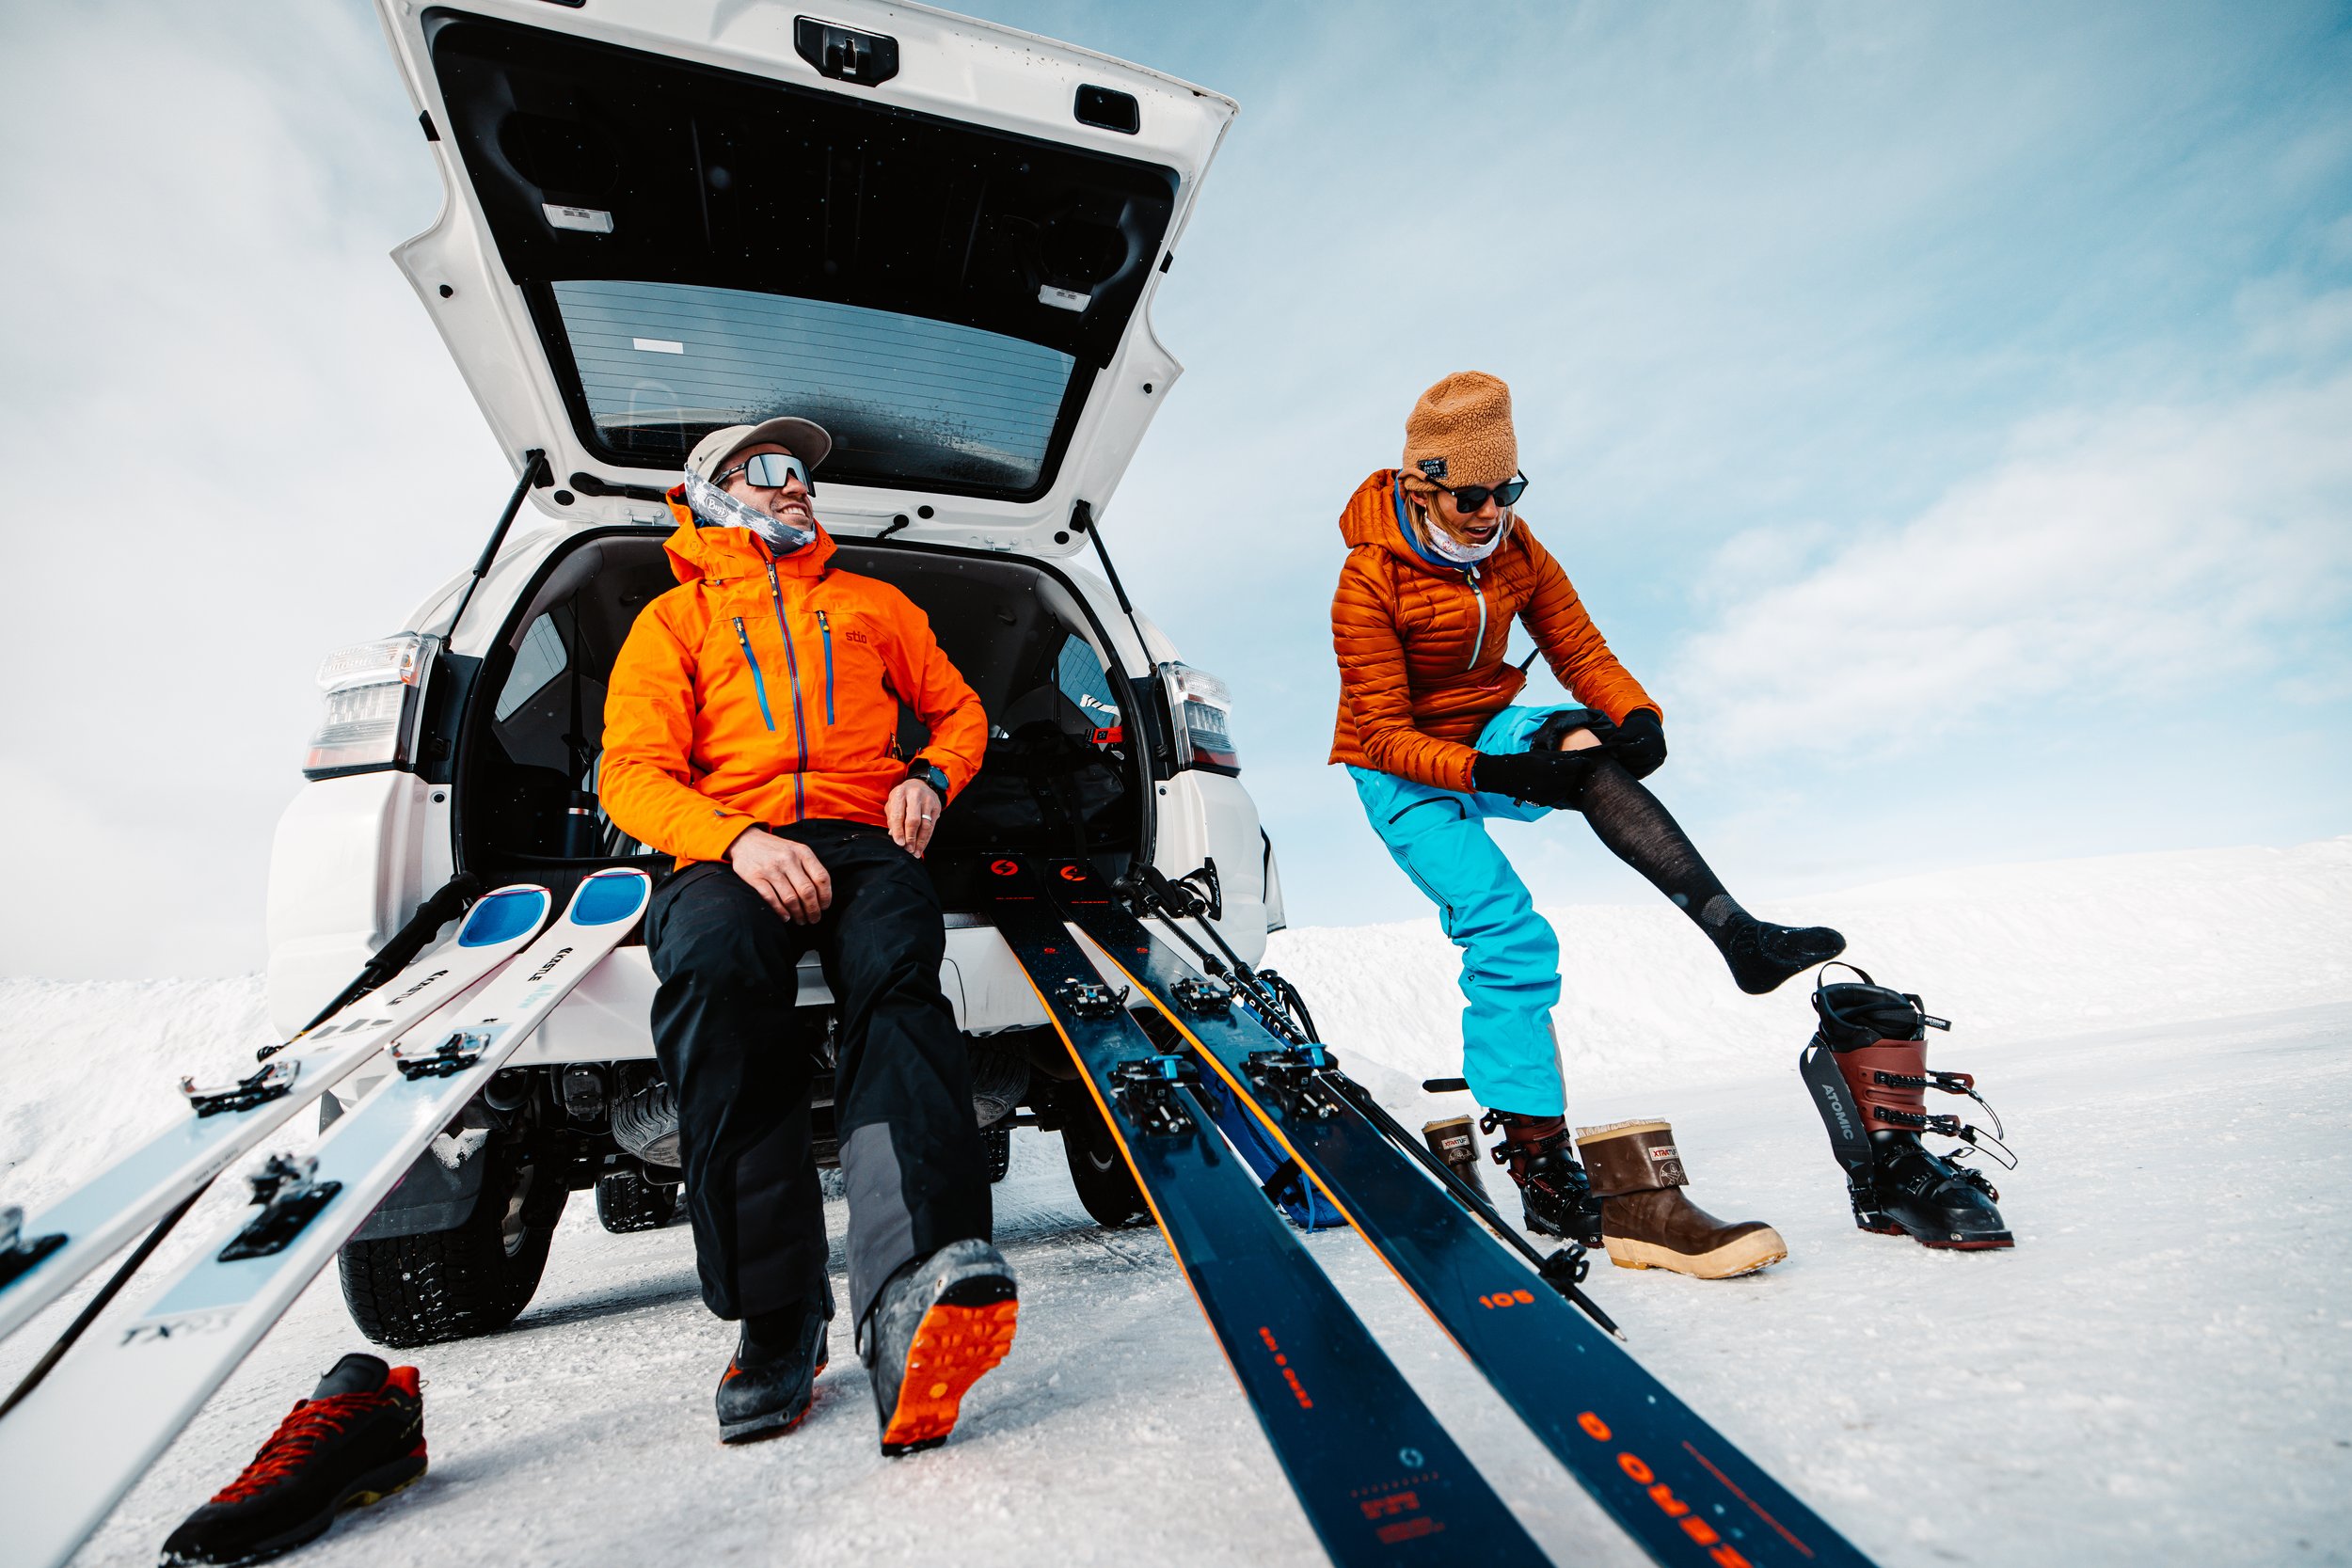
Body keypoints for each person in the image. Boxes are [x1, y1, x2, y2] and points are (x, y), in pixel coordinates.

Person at [1329, 372, 1847, 1280]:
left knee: (1582, 733)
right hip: (1399, 766)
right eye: (1473, 495)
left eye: (1509, 490)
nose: (1492, 511)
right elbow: (1378, 727)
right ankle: (1536, 1157)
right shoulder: (1368, 576)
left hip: (1488, 729)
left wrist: (1634, 715)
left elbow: (1580, 648)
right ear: (1423, 484)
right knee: (1509, 932)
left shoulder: (1517, 549)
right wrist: (1493, 772)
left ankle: (1738, 935)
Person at [599, 416, 1015, 1453]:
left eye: (804, 476)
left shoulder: (872, 602)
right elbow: (631, 772)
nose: (799, 489)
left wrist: (927, 775)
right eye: (773, 472)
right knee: (710, 972)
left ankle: (917, 1270)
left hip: (861, 833)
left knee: (897, 979)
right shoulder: (672, 621)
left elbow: (960, 712)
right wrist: (734, 841)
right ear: (710, 493)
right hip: (728, 839)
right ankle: (778, 1311)